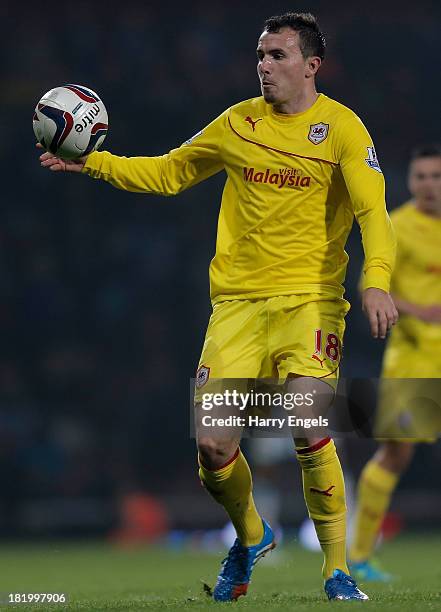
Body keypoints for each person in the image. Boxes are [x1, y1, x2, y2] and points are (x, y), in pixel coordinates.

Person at [38, 11, 398, 602]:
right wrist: (94, 163)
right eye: (260, 54)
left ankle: (338, 570)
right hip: (236, 305)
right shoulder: (237, 124)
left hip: (309, 301)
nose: (264, 65)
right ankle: (252, 534)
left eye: (278, 55)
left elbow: (372, 212)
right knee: (212, 446)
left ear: (312, 65)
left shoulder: (343, 130)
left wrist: (376, 278)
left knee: (309, 423)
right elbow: (171, 172)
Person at [349, 145, 441, 581]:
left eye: (436, 176)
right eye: (421, 176)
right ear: (409, 181)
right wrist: (415, 309)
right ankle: (361, 555)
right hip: (414, 358)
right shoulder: (397, 226)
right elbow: (372, 282)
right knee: (395, 455)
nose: (428, 185)